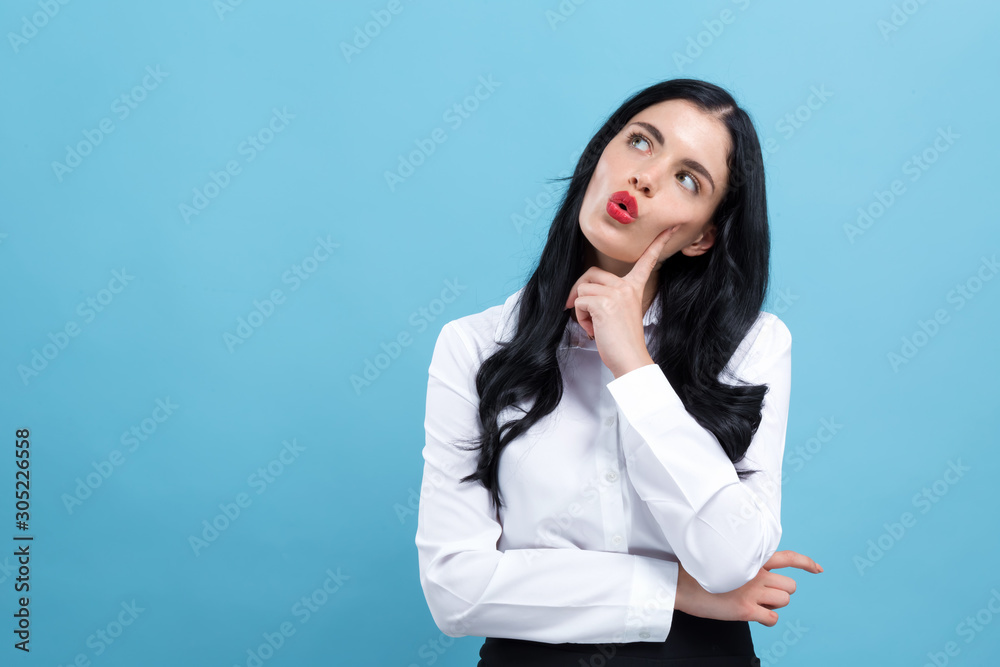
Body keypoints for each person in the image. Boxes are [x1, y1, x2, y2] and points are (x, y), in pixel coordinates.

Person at [415, 78, 823, 666]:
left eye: (688, 178)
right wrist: (677, 592)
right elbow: (456, 590)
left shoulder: (753, 345)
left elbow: (730, 559)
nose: (646, 177)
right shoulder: (475, 345)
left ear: (704, 234)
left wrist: (632, 364)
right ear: (600, 154)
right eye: (640, 142)